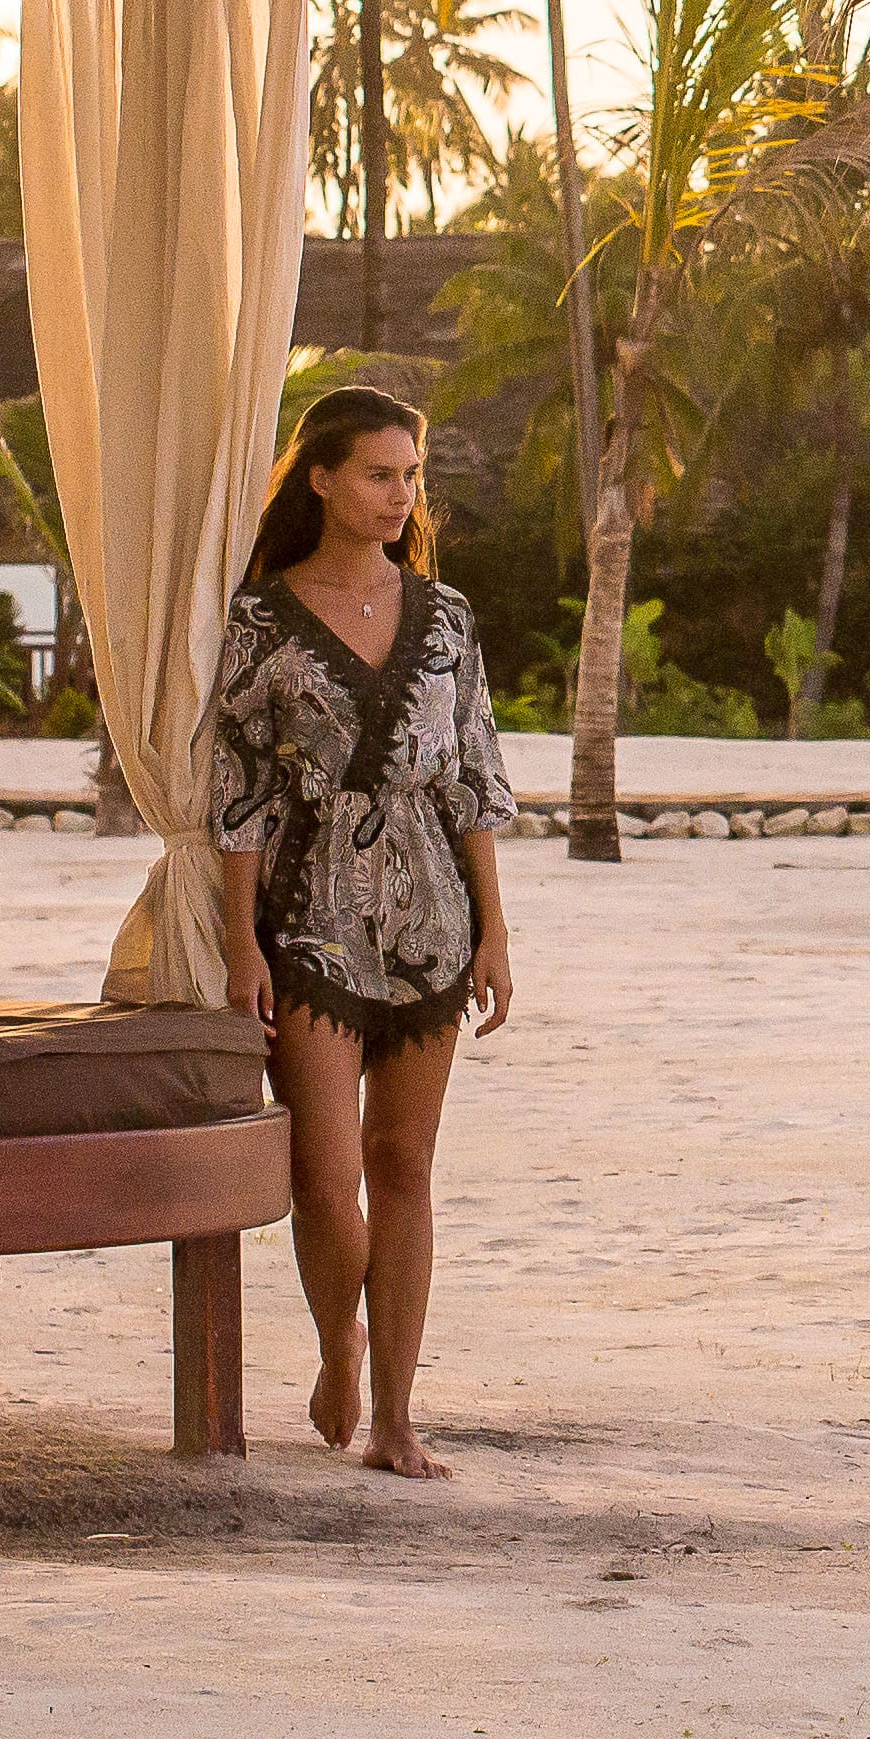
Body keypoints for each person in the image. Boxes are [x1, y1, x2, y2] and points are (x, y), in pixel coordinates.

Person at [211, 384, 518, 1479]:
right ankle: (338, 1337)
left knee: (405, 1164)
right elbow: (239, 788)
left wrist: (493, 931)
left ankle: (395, 1414)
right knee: (322, 1169)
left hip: (434, 915)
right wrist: (243, 941)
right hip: (310, 919)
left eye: (411, 475)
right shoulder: (258, 620)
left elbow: (477, 776)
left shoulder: (447, 617)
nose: (400, 494)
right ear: (323, 478)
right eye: (380, 473)